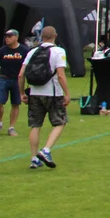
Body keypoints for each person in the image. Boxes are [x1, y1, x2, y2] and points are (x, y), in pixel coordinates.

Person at [18, 26, 67, 169]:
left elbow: (21, 74)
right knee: (60, 122)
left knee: (35, 125)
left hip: (34, 93)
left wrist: (22, 93)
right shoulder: (58, 51)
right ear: (55, 36)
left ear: (42, 37)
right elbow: (61, 75)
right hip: (52, 93)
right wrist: (67, 93)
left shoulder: (32, 51)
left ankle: (34, 158)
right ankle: (46, 150)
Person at [0, 28, 28, 137]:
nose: (7, 38)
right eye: (6, 36)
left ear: (16, 37)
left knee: (15, 103)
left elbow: (27, 66)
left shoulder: (24, 51)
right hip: (3, 78)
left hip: (17, 80)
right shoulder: (2, 51)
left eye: (10, 36)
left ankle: (11, 127)